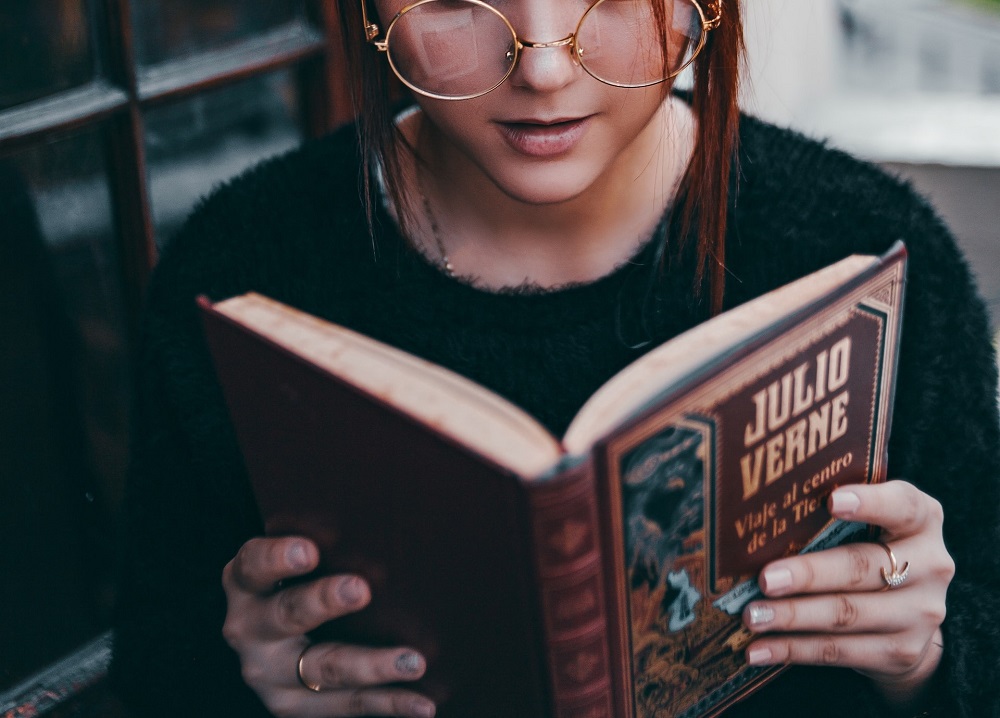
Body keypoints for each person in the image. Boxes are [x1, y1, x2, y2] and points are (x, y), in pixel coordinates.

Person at [110, 0, 1000, 716]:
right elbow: (157, 665)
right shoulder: (241, 274)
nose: (542, 64)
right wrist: (248, 680)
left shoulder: (868, 252)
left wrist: (928, 660)